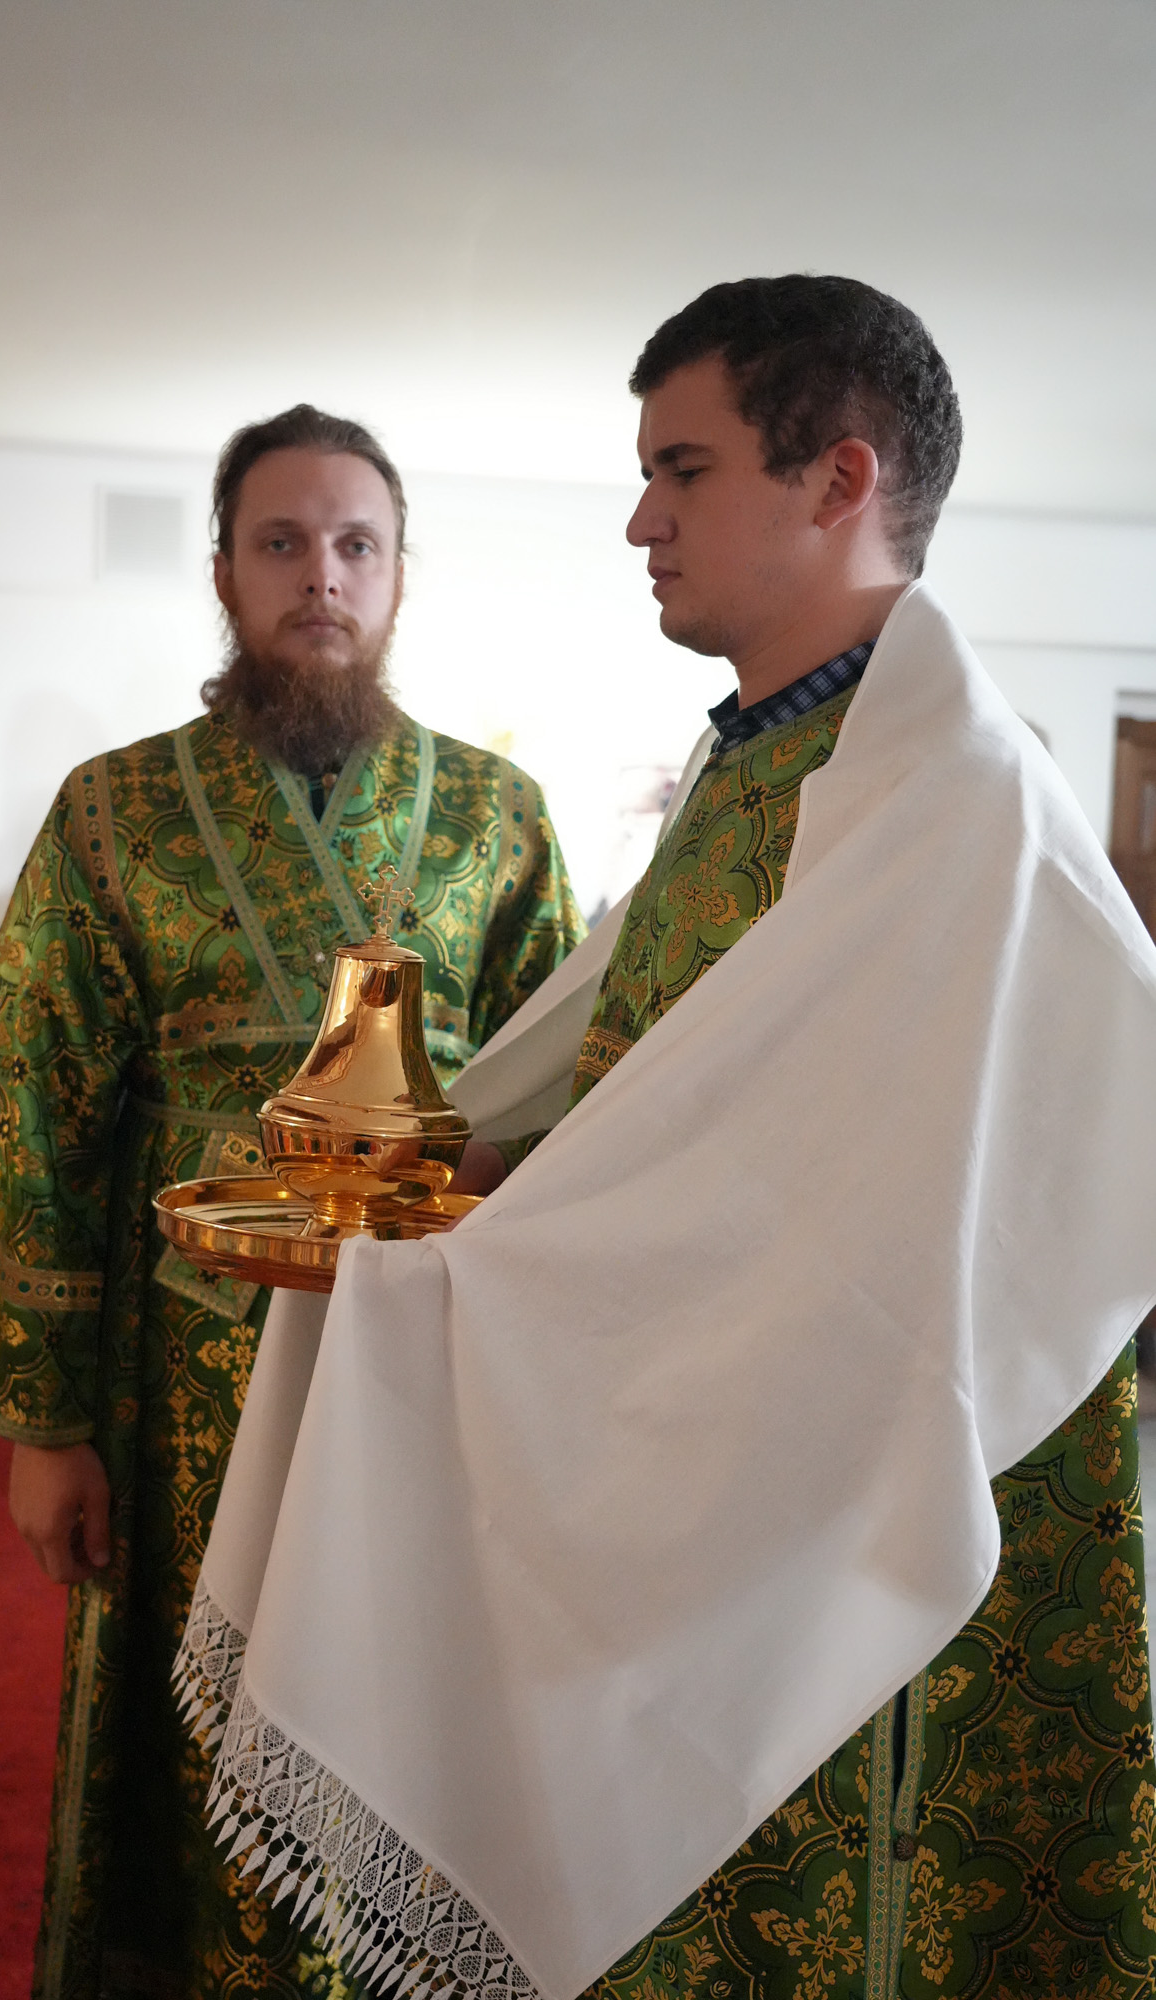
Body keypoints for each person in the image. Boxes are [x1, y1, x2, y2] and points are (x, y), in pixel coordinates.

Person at [178, 282, 1156, 2000]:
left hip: (847, 1536)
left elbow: (855, 1221)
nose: (640, 521)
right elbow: (668, 1102)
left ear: (837, 478)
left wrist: (476, 1268)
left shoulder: (958, 807)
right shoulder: (764, 764)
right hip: (734, 1477)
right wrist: (469, 1190)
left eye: (681, 470)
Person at [0, 403, 584, 2000]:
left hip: (422, 1363)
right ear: (223, 571)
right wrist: (45, 1430)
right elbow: (30, 1112)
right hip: (175, 1363)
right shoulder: (111, 810)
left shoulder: (498, 816)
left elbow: (563, 1100)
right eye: (280, 541)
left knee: (401, 1693)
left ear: (398, 575)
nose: (320, 575)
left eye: (355, 544)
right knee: (197, 1708)